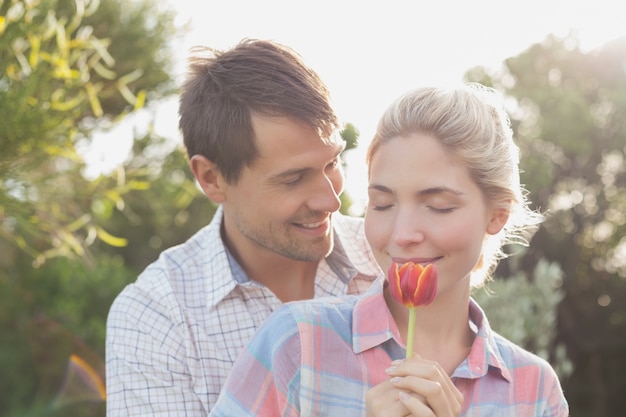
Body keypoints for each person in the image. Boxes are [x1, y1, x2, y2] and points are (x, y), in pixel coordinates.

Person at [208, 84, 570, 416]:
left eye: (439, 205)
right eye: (382, 204)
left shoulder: (534, 390)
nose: (402, 233)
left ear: (497, 216)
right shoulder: (297, 343)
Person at [105, 39, 381, 415]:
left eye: (332, 163)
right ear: (212, 178)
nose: (330, 201)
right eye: (294, 178)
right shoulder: (156, 319)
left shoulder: (391, 258)